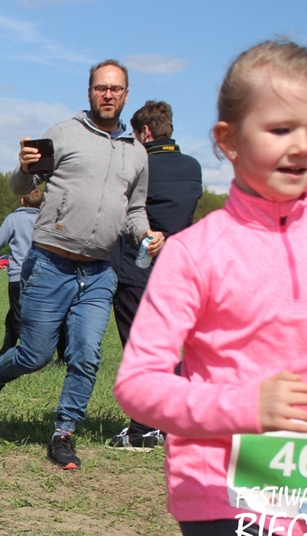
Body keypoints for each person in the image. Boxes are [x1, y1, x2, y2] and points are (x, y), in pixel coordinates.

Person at [92, 40, 307, 536]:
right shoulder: (196, 253)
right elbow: (138, 383)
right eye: (279, 129)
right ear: (229, 140)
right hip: (220, 481)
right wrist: (248, 408)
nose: (301, 146)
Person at [0, 59, 164, 470]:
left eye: (115, 88)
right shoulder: (63, 134)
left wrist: (146, 234)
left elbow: (134, 210)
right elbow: (21, 185)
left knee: (86, 356)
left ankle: (63, 433)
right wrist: (24, 167)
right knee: (36, 355)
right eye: (101, 87)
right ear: (90, 91)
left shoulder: (136, 153)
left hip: (99, 272)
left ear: (126, 95)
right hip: (50, 264)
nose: (108, 94)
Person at [107, 100, 203, 452]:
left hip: (137, 268)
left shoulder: (140, 164)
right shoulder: (192, 166)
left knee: (140, 348)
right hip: (178, 271)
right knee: (167, 346)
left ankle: (143, 429)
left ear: (145, 132)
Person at [0, 189, 44, 358]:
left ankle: (31, 358)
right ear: (42, 205)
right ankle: (5, 352)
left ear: (22, 201)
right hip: (42, 277)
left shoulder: (13, 219)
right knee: (14, 316)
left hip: (18, 277)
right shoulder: (45, 220)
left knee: (19, 319)